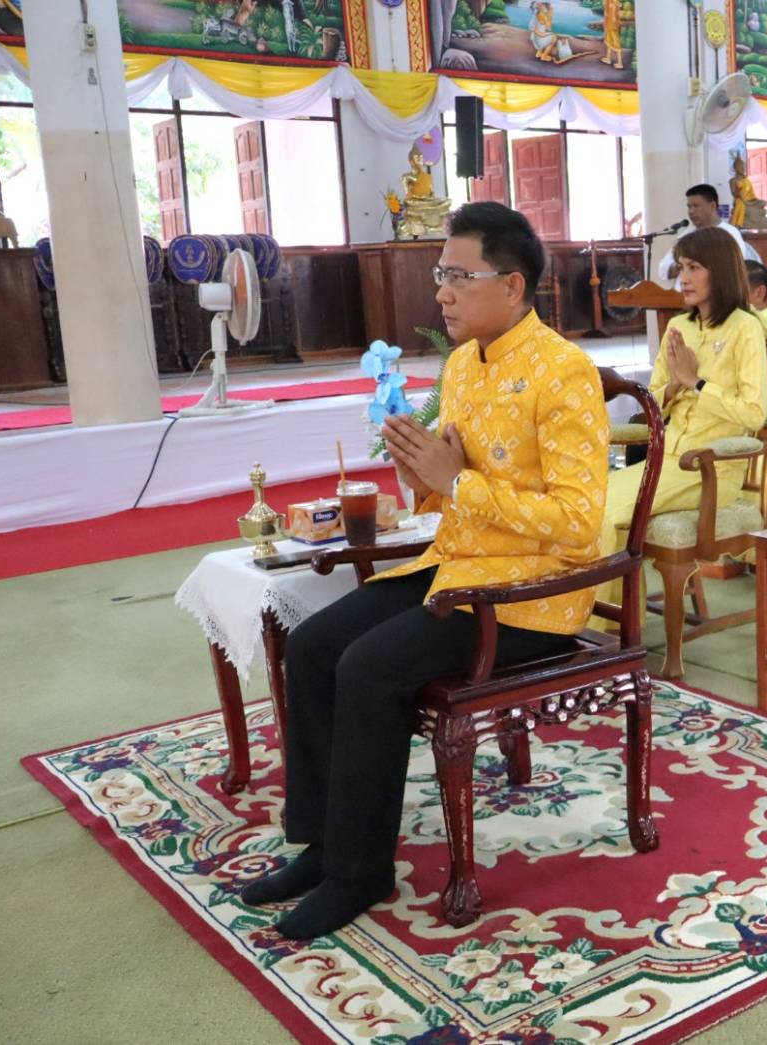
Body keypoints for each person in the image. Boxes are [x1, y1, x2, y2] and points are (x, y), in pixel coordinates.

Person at [240, 203, 608, 940]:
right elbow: (448, 492)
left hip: (530, 594)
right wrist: (423, 471)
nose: (440, 292)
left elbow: (577, 521)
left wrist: (458, 482)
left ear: (510, 286)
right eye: (440, 274)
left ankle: (360, 871)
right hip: (458, 565)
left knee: (371, 667)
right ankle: (321, 844)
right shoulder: (462, 366)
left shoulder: (564, 373)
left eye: (455, 275)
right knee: (313, 644)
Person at [602, 228, 767, 606]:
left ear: (721, 270)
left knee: (607, 509)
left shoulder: (746, 328)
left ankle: (608, 633)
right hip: (668, 460)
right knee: (591, 501)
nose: (683, 278)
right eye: (681, 267)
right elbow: (653, 407)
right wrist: (675, 388)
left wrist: (696, 383)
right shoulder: (678, 327)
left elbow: (755, 413)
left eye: (695, 267)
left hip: (712, 469)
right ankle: (611, 623)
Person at [659, 184, 759, 280]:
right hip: (680, 295)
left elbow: (732, 268)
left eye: (696, 206)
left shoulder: (729, 233)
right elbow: (663, 269)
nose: (691, 211)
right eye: (689, 206)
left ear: (712, 205)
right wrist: (680, 266)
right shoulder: (687, 235)